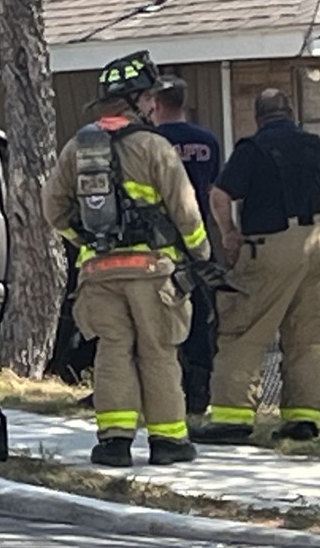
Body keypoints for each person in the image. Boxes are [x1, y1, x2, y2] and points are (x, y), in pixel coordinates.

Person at [44, 50, 212, 468]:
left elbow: (52, 208)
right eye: (151, 98)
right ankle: (168, 441)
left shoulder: (77, 148)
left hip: (98, 273)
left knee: (112, 351)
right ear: (138, 101)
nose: (155, 104)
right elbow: (186, 212)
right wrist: (201, 255)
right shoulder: (154, 147)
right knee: (157, 350)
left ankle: (114, 443)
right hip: (153, 274)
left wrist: (81, 238)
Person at [192, 89, 320, 445]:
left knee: (244, 328)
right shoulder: (317, 147)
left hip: (268, 245)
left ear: (259, 118)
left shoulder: (252, 150)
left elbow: (220, 196)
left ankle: (232, 418)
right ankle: (304, 419)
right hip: (318, 246)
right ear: (291, 114)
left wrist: (229, 235)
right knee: (309, 336)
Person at [150, 76, 222, 415]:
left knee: (154, 317)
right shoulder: (207, 142)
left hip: (157, 244)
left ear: (157, 104)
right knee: (197, 317)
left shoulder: (152, 141)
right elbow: (213, 191)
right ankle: (198, 391)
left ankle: (158, 389)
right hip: (198, 240)